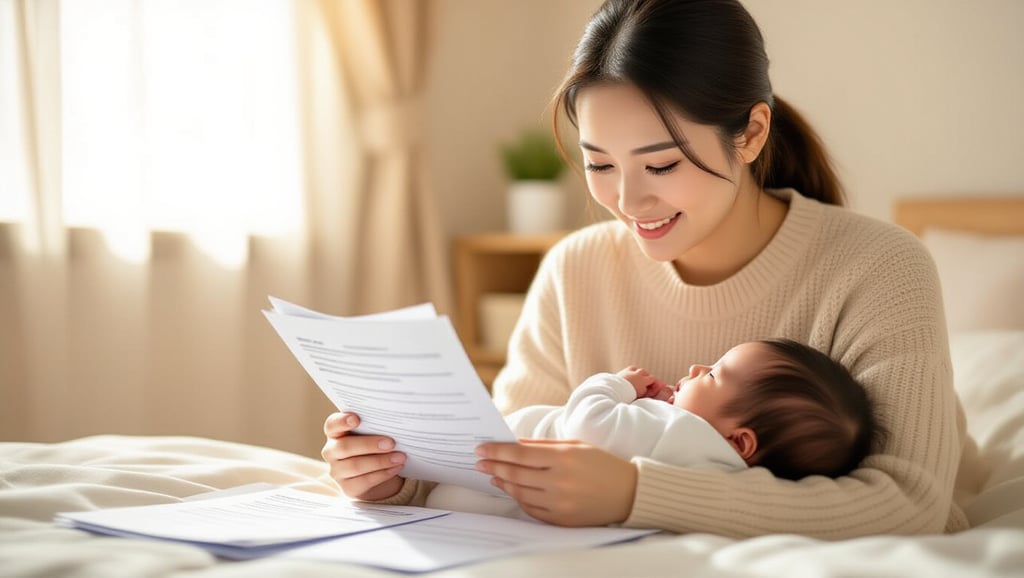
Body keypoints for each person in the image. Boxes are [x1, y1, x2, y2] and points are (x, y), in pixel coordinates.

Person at [321, 0, 969, 538]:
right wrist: (396, 476)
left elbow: (907, 505)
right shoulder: (575, 271)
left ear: (749, 133)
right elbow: (501, 461)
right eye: (600, 164)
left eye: (661, 165)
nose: (628, 203)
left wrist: (637, 492)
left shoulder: (878, 266)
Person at [424, 338, 880, 519]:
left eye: (714, 374)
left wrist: (616, 385)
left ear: (740, 440)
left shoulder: (678, 428)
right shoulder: (724, 473)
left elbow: (584, 423)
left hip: (487, 477)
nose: (698, 365)